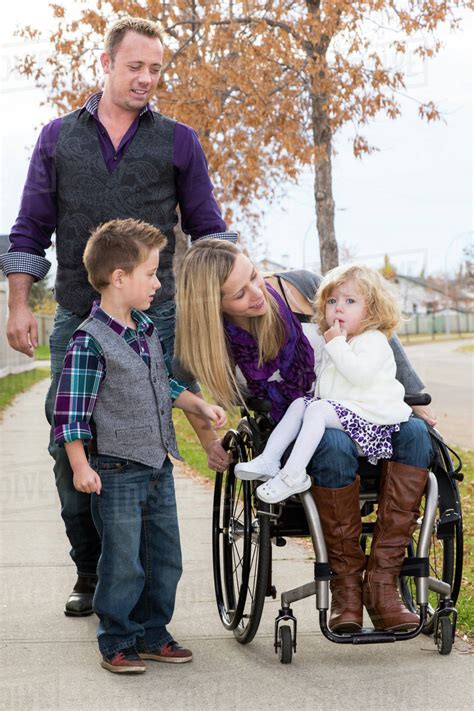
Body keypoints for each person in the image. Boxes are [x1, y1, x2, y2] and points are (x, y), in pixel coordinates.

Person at [1, 16, 236, 616]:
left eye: (156, 69)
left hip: (158, 317)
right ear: (106, 64)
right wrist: (20, 303)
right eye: (136, 67)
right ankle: (92, 571)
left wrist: (234, 298)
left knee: (152, 446)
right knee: (69, 444)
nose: (146, 79)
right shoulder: (58, 138)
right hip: (79, 315)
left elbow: (208, 232)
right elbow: (30, 228)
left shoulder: (179, 140)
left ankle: (147, 586)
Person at [174, 239, 435, 633]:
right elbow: (180, 383)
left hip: (359, 409)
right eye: (239, 294)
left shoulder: (304, 287)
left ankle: (383, 584)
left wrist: (415, 400)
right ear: (214, 306)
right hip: (299, 427)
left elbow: (382, 337)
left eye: (253, 276)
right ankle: (347, 586)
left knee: (416, 433)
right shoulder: (209, 338)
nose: (256, 293)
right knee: (331, 443)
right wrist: (211, 441)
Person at [54, 218, 226, 673]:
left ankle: (153, 631)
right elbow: (70, 414)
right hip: (113, 469)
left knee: (164, 556)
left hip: (156, 465)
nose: (157, 282)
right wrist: (79, 466)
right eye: (151, 273)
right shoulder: (88, 343)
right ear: (119, 278)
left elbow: (161, 382)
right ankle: (117, 637)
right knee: (124, 560)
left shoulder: (145, 328)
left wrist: (197, 404)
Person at [235, 264, 412, 505]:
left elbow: (359, 376)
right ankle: (270, 458)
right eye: (331, 302)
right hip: (350, 416)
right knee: (301, 403)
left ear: (371, 311)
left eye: (350, 301)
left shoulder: (373, 340)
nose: (338, 307)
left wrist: (337, 344)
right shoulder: (337, 340)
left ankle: (293, 475)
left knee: (318, 409)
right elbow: (325, 385)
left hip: (374, 425)